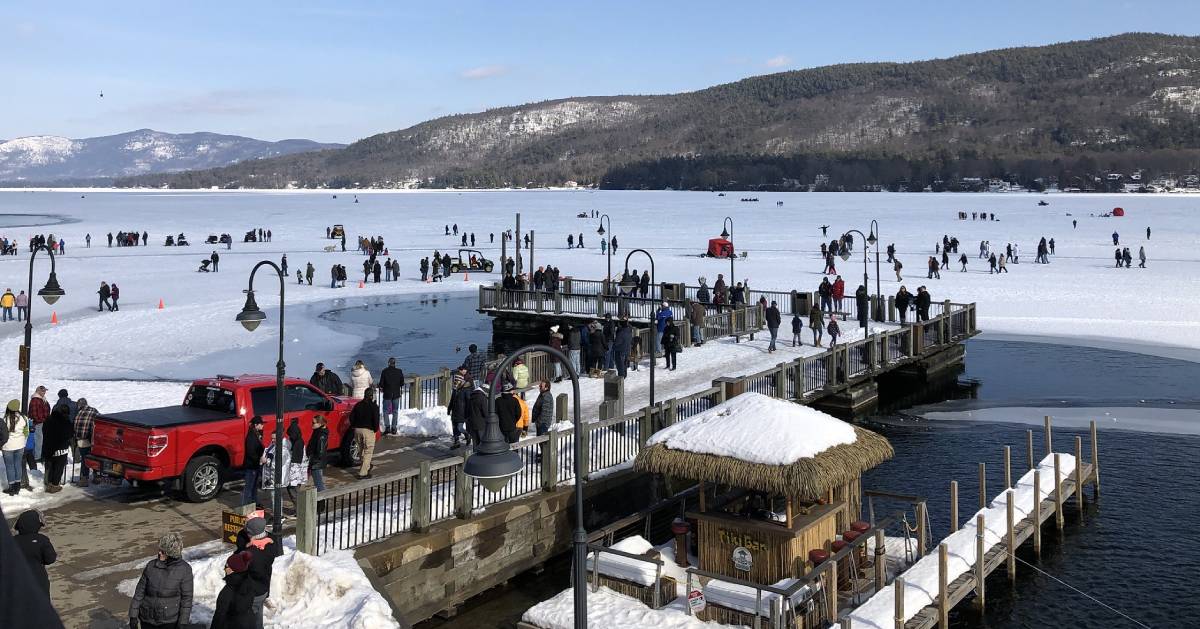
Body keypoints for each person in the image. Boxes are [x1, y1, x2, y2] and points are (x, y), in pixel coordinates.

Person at [129, 531, 193, 629]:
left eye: (162, 551)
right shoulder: (151, 566)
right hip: (147, 619)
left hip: (168, 622)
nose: (159, 553)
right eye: (159, 550)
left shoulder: (184, 570)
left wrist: (183, 623)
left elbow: (186, 600)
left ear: (171, 553)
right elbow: (139, 592)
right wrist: (133, 615)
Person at [237, 515, 281, 629]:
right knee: (256, 616)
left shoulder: (251, 555)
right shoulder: (271, 541)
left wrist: (248, 547)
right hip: (263, 588)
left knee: (251, 620)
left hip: (252, 592)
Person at [14, 509, 56, 595]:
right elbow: (50, 559)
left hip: (17, 580)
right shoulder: (42, 539)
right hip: (38, 579)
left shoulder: (12, 541)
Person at [211, 550, 256, 629]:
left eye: (226, 566)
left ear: (232, 569)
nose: (224, 569)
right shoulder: (249, 581)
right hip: (249, 623)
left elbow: (219, 618)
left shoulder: (227, 592)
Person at [42, 391, 73, 492]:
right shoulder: (66, 422)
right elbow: (68, 434)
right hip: (61, 449)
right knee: (59, 467)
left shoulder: (49, 420)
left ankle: (50, 483)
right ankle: (55, 485)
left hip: (49, 448)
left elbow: (44, 431)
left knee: (51, 466)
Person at [350, 387, 379, 479]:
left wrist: (354, 425)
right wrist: (374, 429)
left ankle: (366, 466)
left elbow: (351, 417)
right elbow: (376, 420)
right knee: (368, 451)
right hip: (368, 431)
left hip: (357, 430)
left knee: (361, 450)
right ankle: (363, 473)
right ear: (372, 396)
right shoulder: (374, 406)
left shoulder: (358, 405)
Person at [2, 401, 29, 494]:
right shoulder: (24, 418)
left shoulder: (5, 419)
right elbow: (26, 432)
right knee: (18, 465)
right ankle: (18, 485)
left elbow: (2, 434)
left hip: (7, 446)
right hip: (20, 445)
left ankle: (11, 487)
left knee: (9, 467)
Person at [72, 398, 97, 486]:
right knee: (95, 458)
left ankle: (84, 478)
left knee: (84, 459)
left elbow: (75, 427)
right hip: (92, 439)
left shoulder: (78, 413)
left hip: (81, 440)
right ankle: (96, 476)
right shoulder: (94, 411)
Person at [378, 358, 405, 436]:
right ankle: (394, 428)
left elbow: (381, 384)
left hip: (387, 394)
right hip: (396, 394)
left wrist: (382, 387)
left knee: (385, 410)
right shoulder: (399, 371)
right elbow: (402, 383)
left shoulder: (384, 371)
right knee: (395, 411)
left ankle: (387, 427)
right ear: (395, 363)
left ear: (388, 363)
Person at [242, 417, 265, 506]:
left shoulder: (256, 434)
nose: (262, 425)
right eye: (261, 424)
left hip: (255, 465)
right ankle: (245, 505)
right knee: (249, 486)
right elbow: (251, 452)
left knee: (254, 486)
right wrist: (259, 460)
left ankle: (254, 502)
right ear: (256, 425)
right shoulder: (251, 436)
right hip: (251, 465)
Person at [29, 385, 49, 469]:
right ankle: (37, 457)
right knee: (38, 440)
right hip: (38, 423)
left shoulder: (42, 399)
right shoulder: (35, 400)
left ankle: (39, 455)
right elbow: (33, 413)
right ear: (38, 391)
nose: (44, 392)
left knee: (41, 439)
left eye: (45, 391)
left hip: (43, 422)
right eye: (43, 391)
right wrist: (40, 420)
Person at [306, 415, 328, 491]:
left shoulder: (321, 434)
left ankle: (322, 500)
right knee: (318, 482)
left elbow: (320, 451)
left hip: (316, 462)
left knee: (318, 483)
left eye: (313, 423)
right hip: (315, 461)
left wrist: (313, 461)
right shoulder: (317, 432)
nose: (312, 424)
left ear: (320, 424)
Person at [446, 374, 469, 448]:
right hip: (454, 412)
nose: (455, 382)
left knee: (459, 427)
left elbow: (468, 402)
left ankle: (467, 434)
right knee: (454, 428)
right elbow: (452, 401)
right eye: (455, 380)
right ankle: (456, 442)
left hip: (461, 413)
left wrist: (467, 412)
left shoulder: (465, 391)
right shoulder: (455, 390)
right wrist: (449, 409)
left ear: (461, 381)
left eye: (457, 381)